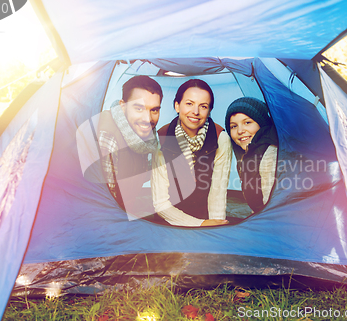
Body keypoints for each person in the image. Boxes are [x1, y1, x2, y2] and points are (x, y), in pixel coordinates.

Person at [152, 79, 232, 226]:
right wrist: (199, 224)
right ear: (177, 106)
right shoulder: (161, 138)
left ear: (209, 111)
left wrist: (215, 226)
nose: (195, 112)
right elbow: (161, 203)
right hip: (169, 220)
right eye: (189, 103)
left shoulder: (221, 138)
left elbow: (218, 193)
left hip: (205, 216)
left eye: (203, 106)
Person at [97, 75, 162, 215]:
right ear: (123, 106)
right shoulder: (108, 137)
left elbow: (135, 174)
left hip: (125, 213)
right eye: (139, 109)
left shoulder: (146, 139)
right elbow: (102, 204)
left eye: (154, 110)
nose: (147, 119)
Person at [225, 97, 278, 213]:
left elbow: (273, 210)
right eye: (234, 126)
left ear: (261, 124)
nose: (240, 131)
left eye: (247, 123)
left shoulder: (271, 155)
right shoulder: (246, 156)